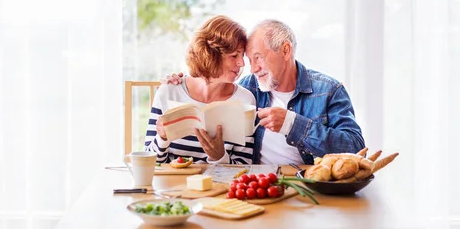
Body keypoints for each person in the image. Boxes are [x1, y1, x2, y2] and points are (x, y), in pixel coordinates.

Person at [165, 19, 365, 166]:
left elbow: (357, 149)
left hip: (306, 185)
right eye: (249, 60)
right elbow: (210, 84)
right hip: (258, 187)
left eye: (258, 58)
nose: (252, 69)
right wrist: (176, 81)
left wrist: (292, 124)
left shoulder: (328, 90)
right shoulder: (247, 88)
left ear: (285, 51)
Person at [144, 15, 256, 165]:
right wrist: (162, 138)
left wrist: (220, 157)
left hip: (220, 186)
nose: (242, 63)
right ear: (211, 55)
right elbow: (149, 163)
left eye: (242, 56)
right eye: (234, 55)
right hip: (173, 186)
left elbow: (244, 166)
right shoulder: (169, 91)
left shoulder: (245, 100)